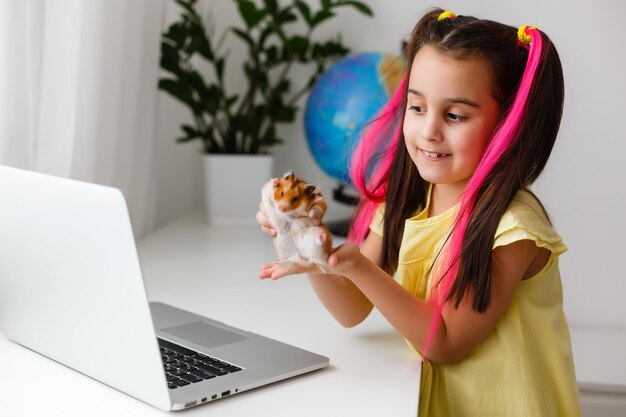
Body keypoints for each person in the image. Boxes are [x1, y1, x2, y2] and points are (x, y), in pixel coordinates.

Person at [256, 8, 581, 417]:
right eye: (417, 107)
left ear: (507, 124)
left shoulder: (512, 229)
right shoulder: (405, 199)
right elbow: (351, 308)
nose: (429, 131)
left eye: (455, 115)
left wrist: (357, 266)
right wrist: (301, 238)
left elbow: (445, 342)